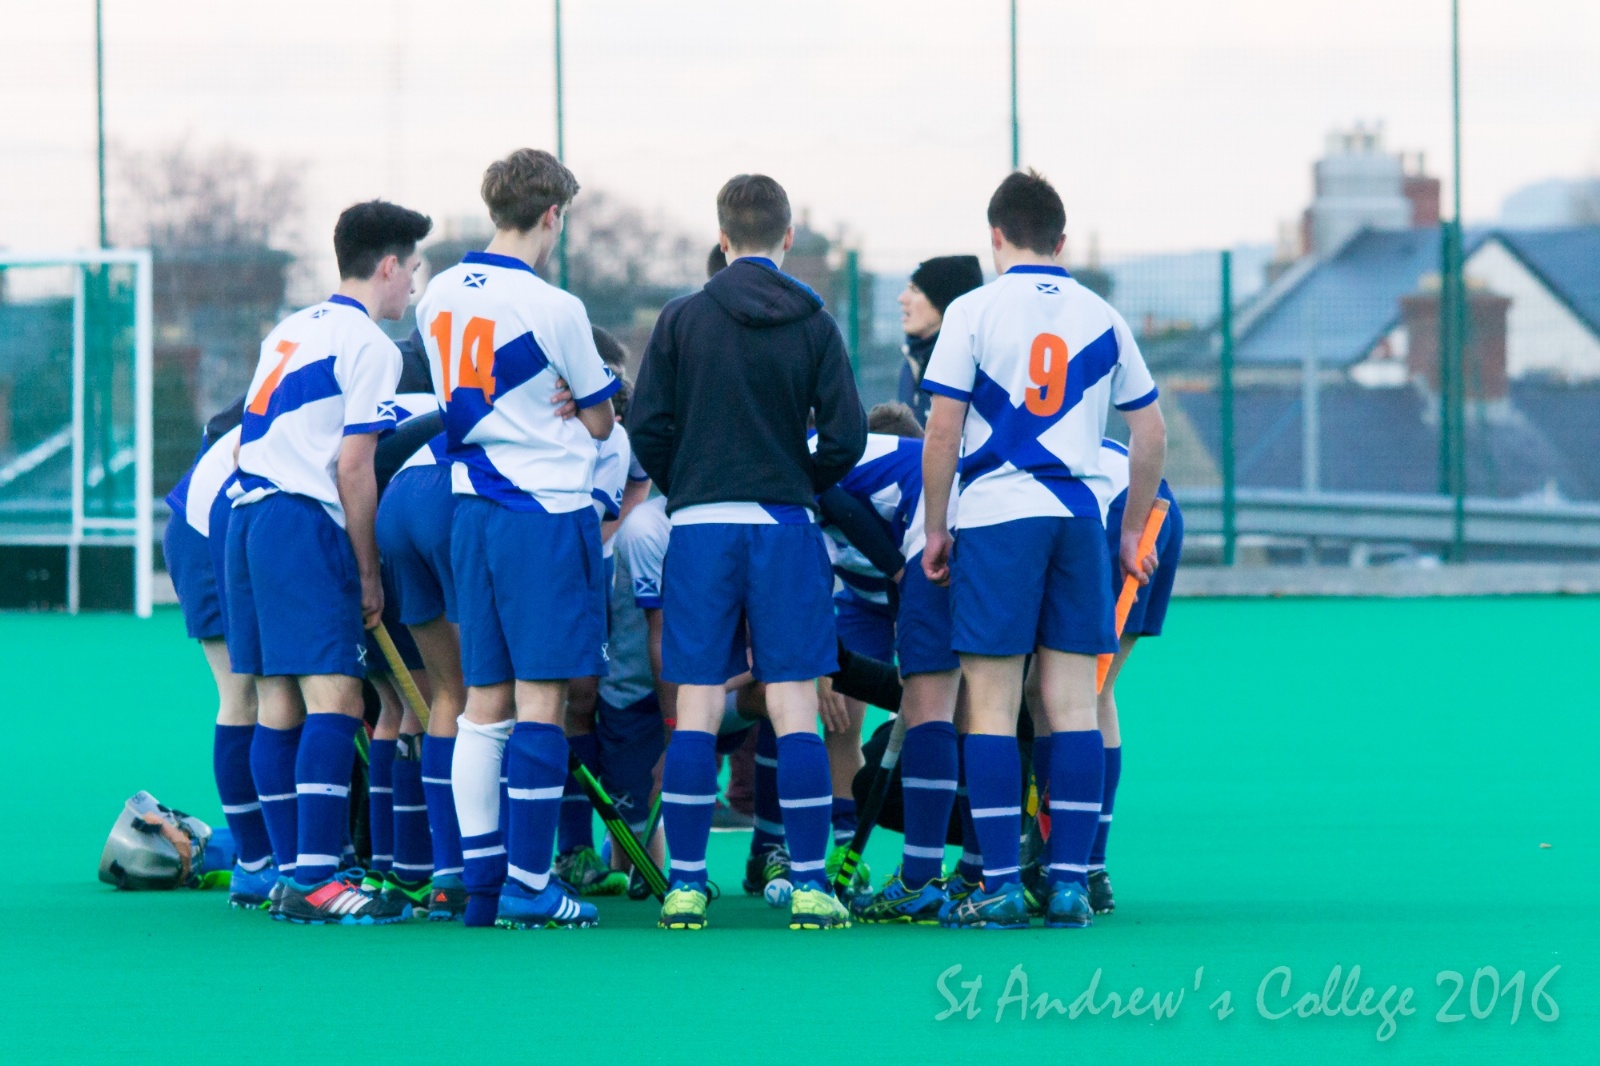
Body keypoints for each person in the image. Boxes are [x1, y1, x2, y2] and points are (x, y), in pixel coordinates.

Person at [920, 170, 1166, 930]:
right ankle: (1069, 884)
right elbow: (1150, 432)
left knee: (991, 705)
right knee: (1074, 705)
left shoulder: (972, 310)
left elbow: (942, 429)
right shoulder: (1102, 315)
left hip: (999, 516)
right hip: (1078, 518)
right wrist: (1131, 530)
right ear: (1062, 240)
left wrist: (936, 527)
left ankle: (999, 883)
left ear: (995, 235)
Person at [629, 173, 867, 930]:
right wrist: (797, 482)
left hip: (701, 529)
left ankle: (686, 885)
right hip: (784, 528)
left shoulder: (681, 318)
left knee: (697, 704)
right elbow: (848, 437)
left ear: (722, 236)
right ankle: (809, 884)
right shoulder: (815, 320)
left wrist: (691, 486)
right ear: (788, 236)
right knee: (794, 704)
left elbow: (647, 428)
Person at [417, 148, 619, 930]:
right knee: (543, 701)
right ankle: (530, 886)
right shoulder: (556, 307)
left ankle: (481, 886)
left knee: (483, 702)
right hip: (545, 511)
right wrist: (576, 398)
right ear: (553, 215)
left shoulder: (437, 292)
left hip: (472, 506)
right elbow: (600, 419)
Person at [227, 199, 433, 924]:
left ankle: (293, 874)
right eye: (413, 268)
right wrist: (368, 571)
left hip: (245, 518)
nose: (415, 283)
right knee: (339, 699)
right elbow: (353, 466)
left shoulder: (290, 328)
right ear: (388, 266)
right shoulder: (371, 344)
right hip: (300, 521)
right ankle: (317, 880)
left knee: (277, 702)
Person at [1025, 438, 1183, 915]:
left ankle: (1083, 866)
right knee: (1067, 692)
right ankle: (1074, 861)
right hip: (1144, 507)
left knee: (1079, 691)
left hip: (1129, 515)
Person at [164, 399, 280, 909]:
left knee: (291, 694)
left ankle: (278, 850)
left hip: (243, 522)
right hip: (210, 531)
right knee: (246, 697)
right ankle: (255, 865)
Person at [554, 326, 650, 896]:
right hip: (539, 564)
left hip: (593, 579)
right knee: (540, 702)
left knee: (584, 699)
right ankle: (548, 849)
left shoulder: (620, 437)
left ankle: (580, 849)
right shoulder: (547, 421)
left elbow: (637, 485)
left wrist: (607, 538)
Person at [896, 256, 985, 425]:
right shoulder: (913, 359)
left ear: (944, 301)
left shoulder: (969, 365)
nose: (902, 298)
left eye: (915, 290)